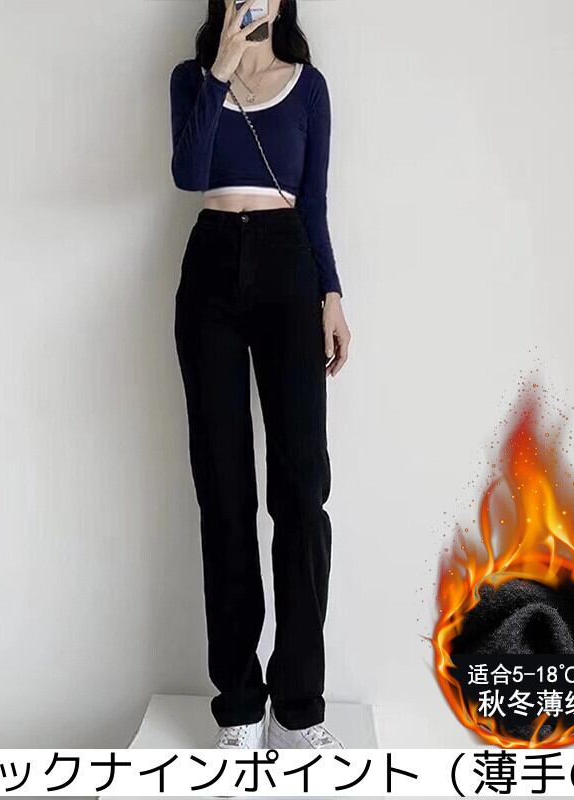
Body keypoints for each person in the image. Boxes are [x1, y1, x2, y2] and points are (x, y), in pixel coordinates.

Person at [168, 0, 351, 749]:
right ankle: (241, 705)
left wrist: (331, 293)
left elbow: (315, 201)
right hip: (210, 268)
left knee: (302, 491)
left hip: (288, 268)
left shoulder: (309, 86)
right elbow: (188, 173)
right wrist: (220, 69)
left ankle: (299, 707)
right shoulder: (191, 79)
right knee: (224, 492)